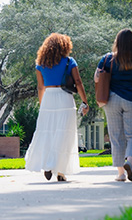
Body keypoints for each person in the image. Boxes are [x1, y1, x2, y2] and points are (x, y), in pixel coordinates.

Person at [25, 33, 89, 182]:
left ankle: (48, 164)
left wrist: (43, 106)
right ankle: (60, 171)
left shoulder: (40, 64)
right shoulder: (69, 61)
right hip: (65, 98)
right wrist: (84, 102)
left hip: (48, 98)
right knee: (65, 135)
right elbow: (78, 82)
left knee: (47, 133)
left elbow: (40, 87)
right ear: (65, 46)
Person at [94, 28, 132, 182]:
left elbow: (96, 78)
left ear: (117, 42)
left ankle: (120, 173)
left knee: (116, 136)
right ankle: (129, 162)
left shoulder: (107, 59)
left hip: (112, 100)